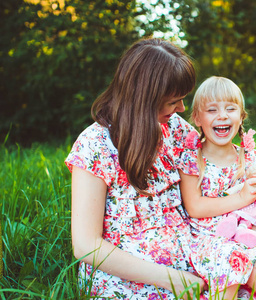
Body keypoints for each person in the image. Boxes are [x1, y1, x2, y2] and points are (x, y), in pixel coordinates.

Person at [65, 38, 206, 299]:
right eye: (173, 101)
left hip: (190, 258)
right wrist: (172, 280)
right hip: (131, 277)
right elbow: (86, 245)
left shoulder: (175, 129)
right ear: (144, 99)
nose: (182, 109)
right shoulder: (95, 146)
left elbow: (219, 171)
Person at [178, 76, 256, 300]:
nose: (222, 115)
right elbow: (195, 207)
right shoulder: (192, 160)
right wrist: (242, 196)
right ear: (197, 118)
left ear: (241, 116)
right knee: (232, 260)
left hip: (244, 237)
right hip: (207, 240)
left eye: (230, 108)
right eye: (212, 110)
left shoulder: (248, 159)